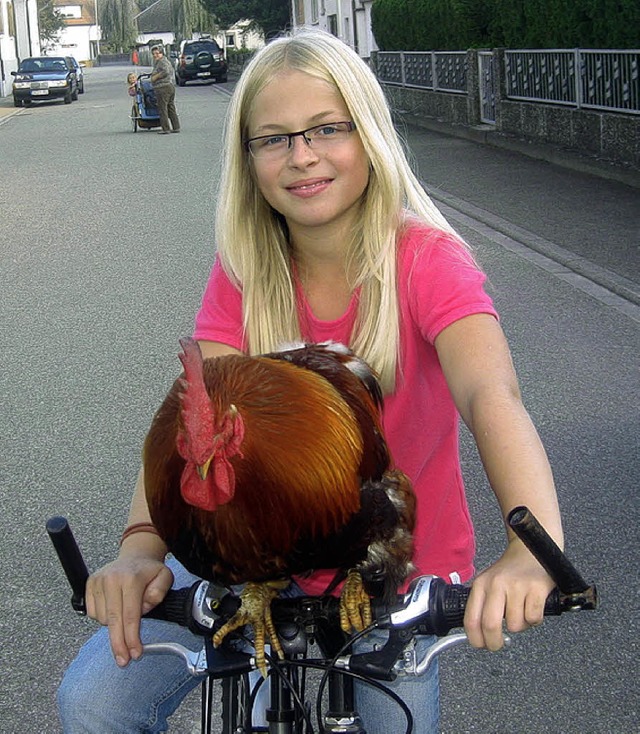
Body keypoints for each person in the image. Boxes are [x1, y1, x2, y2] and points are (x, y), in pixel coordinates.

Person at [57, 29, 564, 733]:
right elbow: (189, 417)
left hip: (397, 566)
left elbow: (491, 396)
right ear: (249, 158)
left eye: (327, 129)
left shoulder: (426, 261)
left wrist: (530, 550)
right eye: (275, 138)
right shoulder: (246, 270)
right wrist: (140, 548)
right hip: (256, 556)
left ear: (370, 134)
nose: (302, 155)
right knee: (92, 701)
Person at [150, 45, 180, 134]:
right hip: (169, 86)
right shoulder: (163, 61)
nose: (155, 55)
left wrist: (155, 77)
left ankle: (165, 129)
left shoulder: (162, 62)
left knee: (162, 109)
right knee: (171, 107)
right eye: (153, 54)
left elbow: (165, 71)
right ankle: (176, 127)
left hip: (163, 87)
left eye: (157, 53)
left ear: (162, 53)